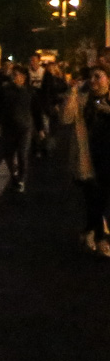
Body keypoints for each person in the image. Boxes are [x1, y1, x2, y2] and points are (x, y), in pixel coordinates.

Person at [69, 65, 110, 255]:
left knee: (100, 199)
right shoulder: (83, 99)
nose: (93, 81)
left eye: (98, 76)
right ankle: (101, 239)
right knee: (94, 197)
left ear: (108, 79)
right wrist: (73, 92)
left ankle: (88, 230)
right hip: (88, 157)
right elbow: (65, 118)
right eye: (91, 77)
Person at [0, 63, 34, 193]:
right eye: (12, 75)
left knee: (22, 154)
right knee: (8, 155)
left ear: (23, 77)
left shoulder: (29, 91)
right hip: (9, 127)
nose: (13, 77)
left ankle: (21, 179)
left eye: (16, 75)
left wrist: (40, 129)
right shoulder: (6, 90)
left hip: (25, 127)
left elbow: (36, 109)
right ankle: (14, 174)